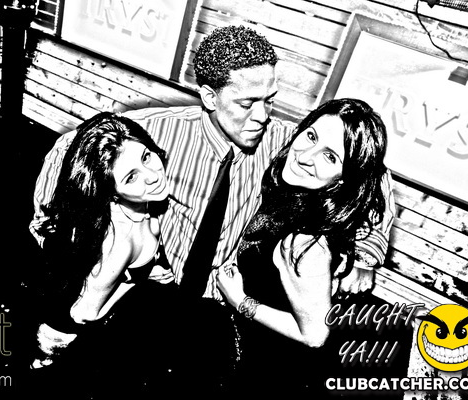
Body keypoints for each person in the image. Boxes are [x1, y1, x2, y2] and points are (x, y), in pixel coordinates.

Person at [30, 24, 395, 303]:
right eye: (246, 103)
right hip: (151, 293)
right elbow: (67, 148)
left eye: (269, 100)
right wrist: (53, 232)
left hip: (224, 302)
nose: (261, 116)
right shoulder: (160, 132)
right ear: (209, 96)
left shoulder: (287, 143)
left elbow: (372, 175)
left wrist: (366, 256)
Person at [216, 98, 390, 396]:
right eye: (311, 136)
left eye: (330, 157)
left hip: (269, 370)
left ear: (342, 179)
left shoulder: (305, 242)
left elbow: (314, 335)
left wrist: (240, 301)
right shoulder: (295, 193)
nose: (306, 156)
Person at [28, 112, 178, 397]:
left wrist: (152, 270)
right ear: (112, 193)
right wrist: (136, 282)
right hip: (62, 338)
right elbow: (85, 313)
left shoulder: (140, 206)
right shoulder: (120, 244)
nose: (152, 176)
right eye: (131, 177)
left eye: (146, 157)